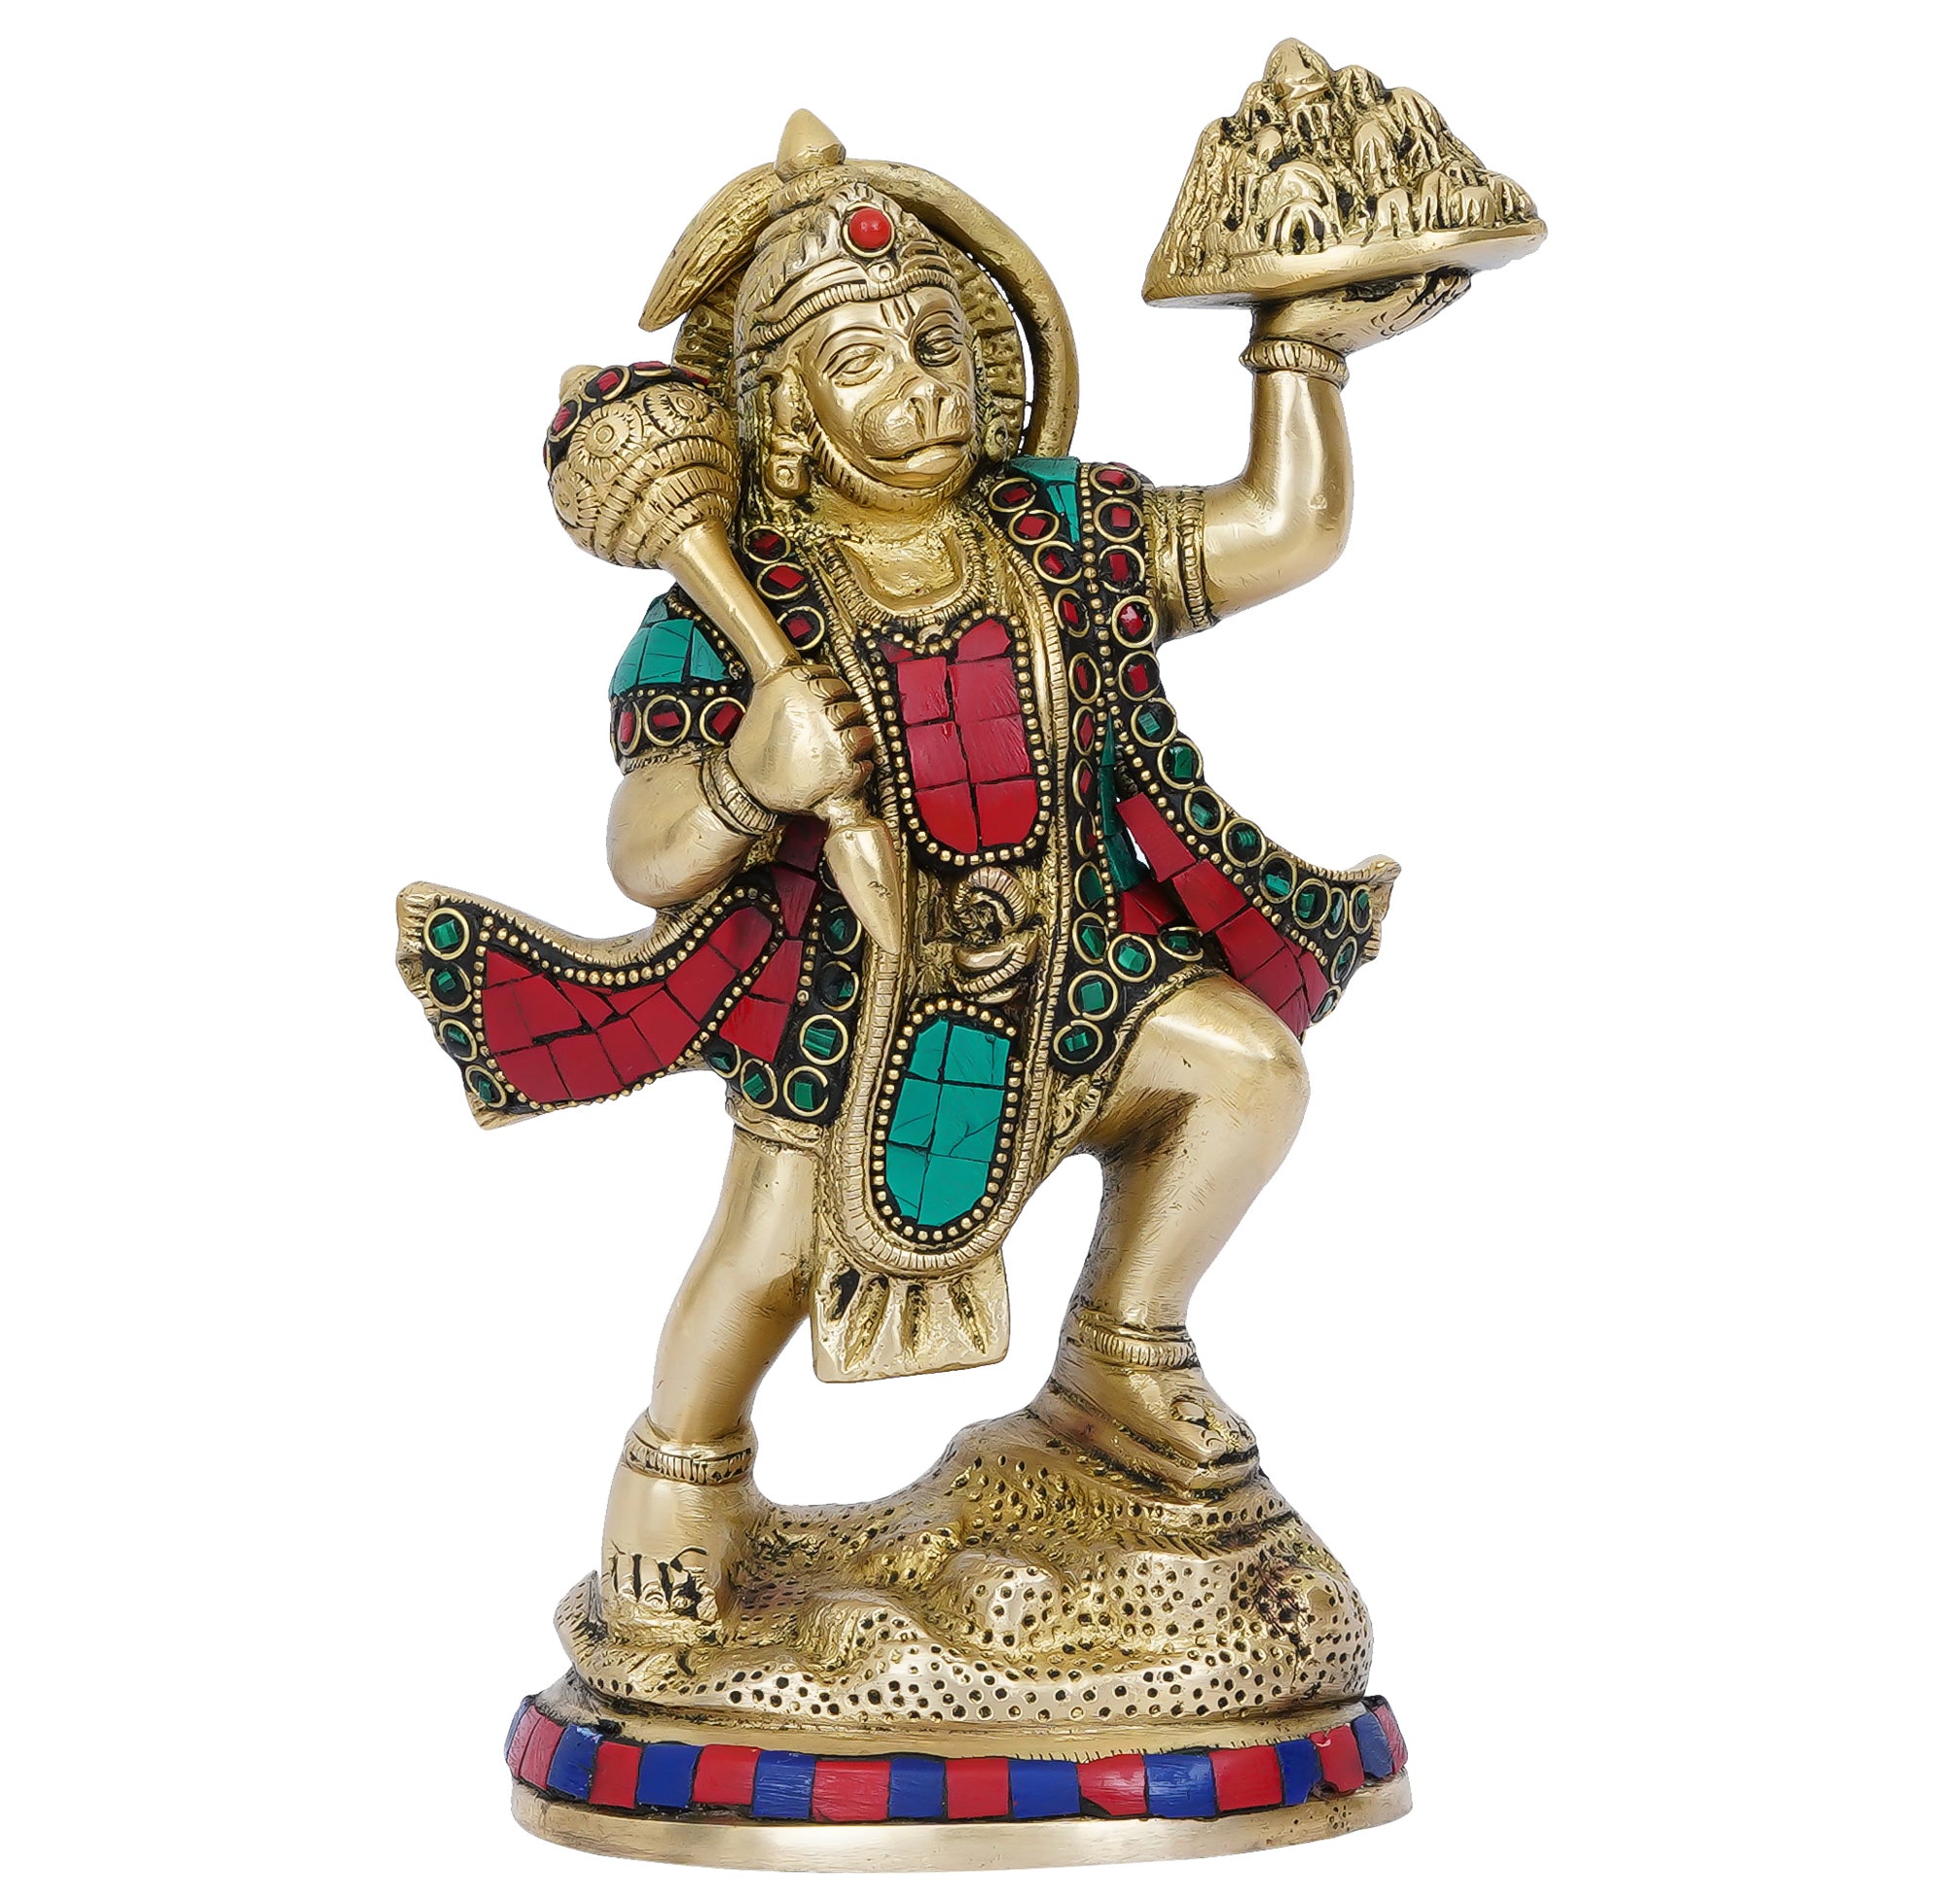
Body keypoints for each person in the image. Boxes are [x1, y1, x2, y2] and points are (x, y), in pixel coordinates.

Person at [401, 116, 1452, 1634]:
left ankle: (1123, 1352)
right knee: (764, 1264)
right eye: (865, 361)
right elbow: (642, 851)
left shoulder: (1061, 538)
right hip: (847, 1009)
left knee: (1246, 1070)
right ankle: (676, 1487)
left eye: (941, 345)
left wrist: (1298, 349)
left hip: (1075, 977)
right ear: (785, 408)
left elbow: (1285, 532)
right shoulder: (734, 605)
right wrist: (749, 775)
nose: (923, 387)